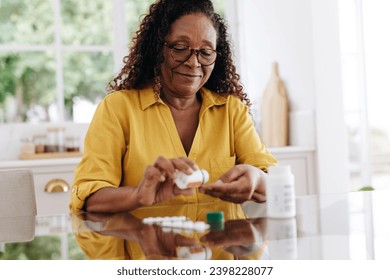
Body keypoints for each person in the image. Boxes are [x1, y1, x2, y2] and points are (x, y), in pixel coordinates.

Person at [69, 0, 277, 214]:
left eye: (205, 52)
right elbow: (90, 198)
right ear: (157, 49)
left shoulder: (231, 110)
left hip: (218, 246)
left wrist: (257, 179)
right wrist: (139, 194)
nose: (194, 63)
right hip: (146, 245)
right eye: (180, 48)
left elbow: (274, 180)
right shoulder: (118, 108)